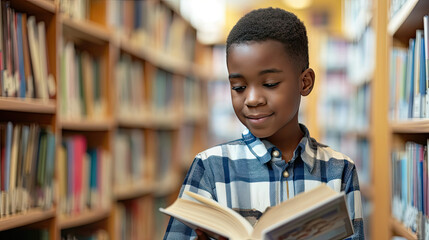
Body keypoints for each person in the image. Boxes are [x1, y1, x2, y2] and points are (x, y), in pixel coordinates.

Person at [163, 7, 364, 240]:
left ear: (305, 82)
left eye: (269, 84)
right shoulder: (210, 168)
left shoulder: (339, 171)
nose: (252, 99)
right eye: (238, 87)